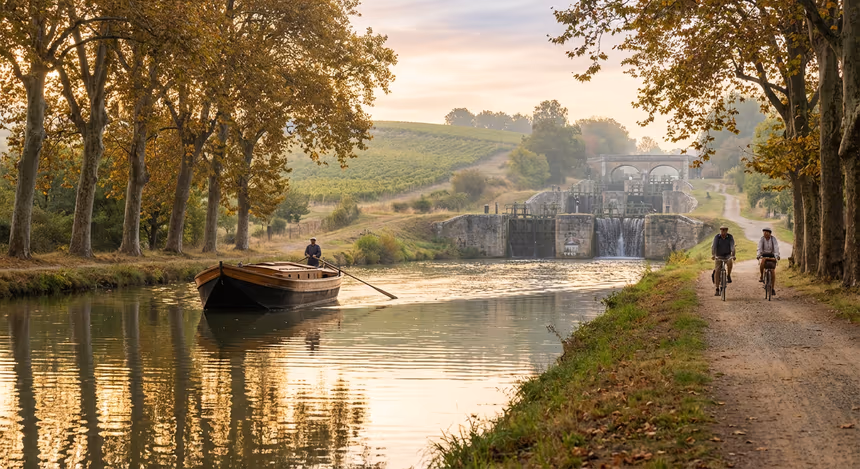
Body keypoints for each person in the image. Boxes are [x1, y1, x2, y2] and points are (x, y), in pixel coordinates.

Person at [711, 225, 736, 296]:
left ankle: (728, 275)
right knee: (717, 270)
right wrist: (713, 255)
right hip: (718, 255)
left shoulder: (730, 237)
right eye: (721, 230)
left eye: (724, 230)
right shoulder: (717, 237)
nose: (723, 231)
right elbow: (714, 247)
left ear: (727, 230)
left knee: (730, 262)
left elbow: (732, 247)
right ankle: (717, 288)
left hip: (727, 255)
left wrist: (733, 255)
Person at [757, 227, 780, 295]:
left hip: (772, 255)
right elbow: (759, 247)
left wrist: (777, 255)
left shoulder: (773, 239)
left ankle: (772, 288)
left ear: (770, 233)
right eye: (764, 232)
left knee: (773, 271)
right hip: (764, 254)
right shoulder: (762, 239)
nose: (765, 233)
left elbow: (776, 247)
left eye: (766, 232)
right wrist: (758, 255)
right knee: (762, 262)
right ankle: (761, 276)